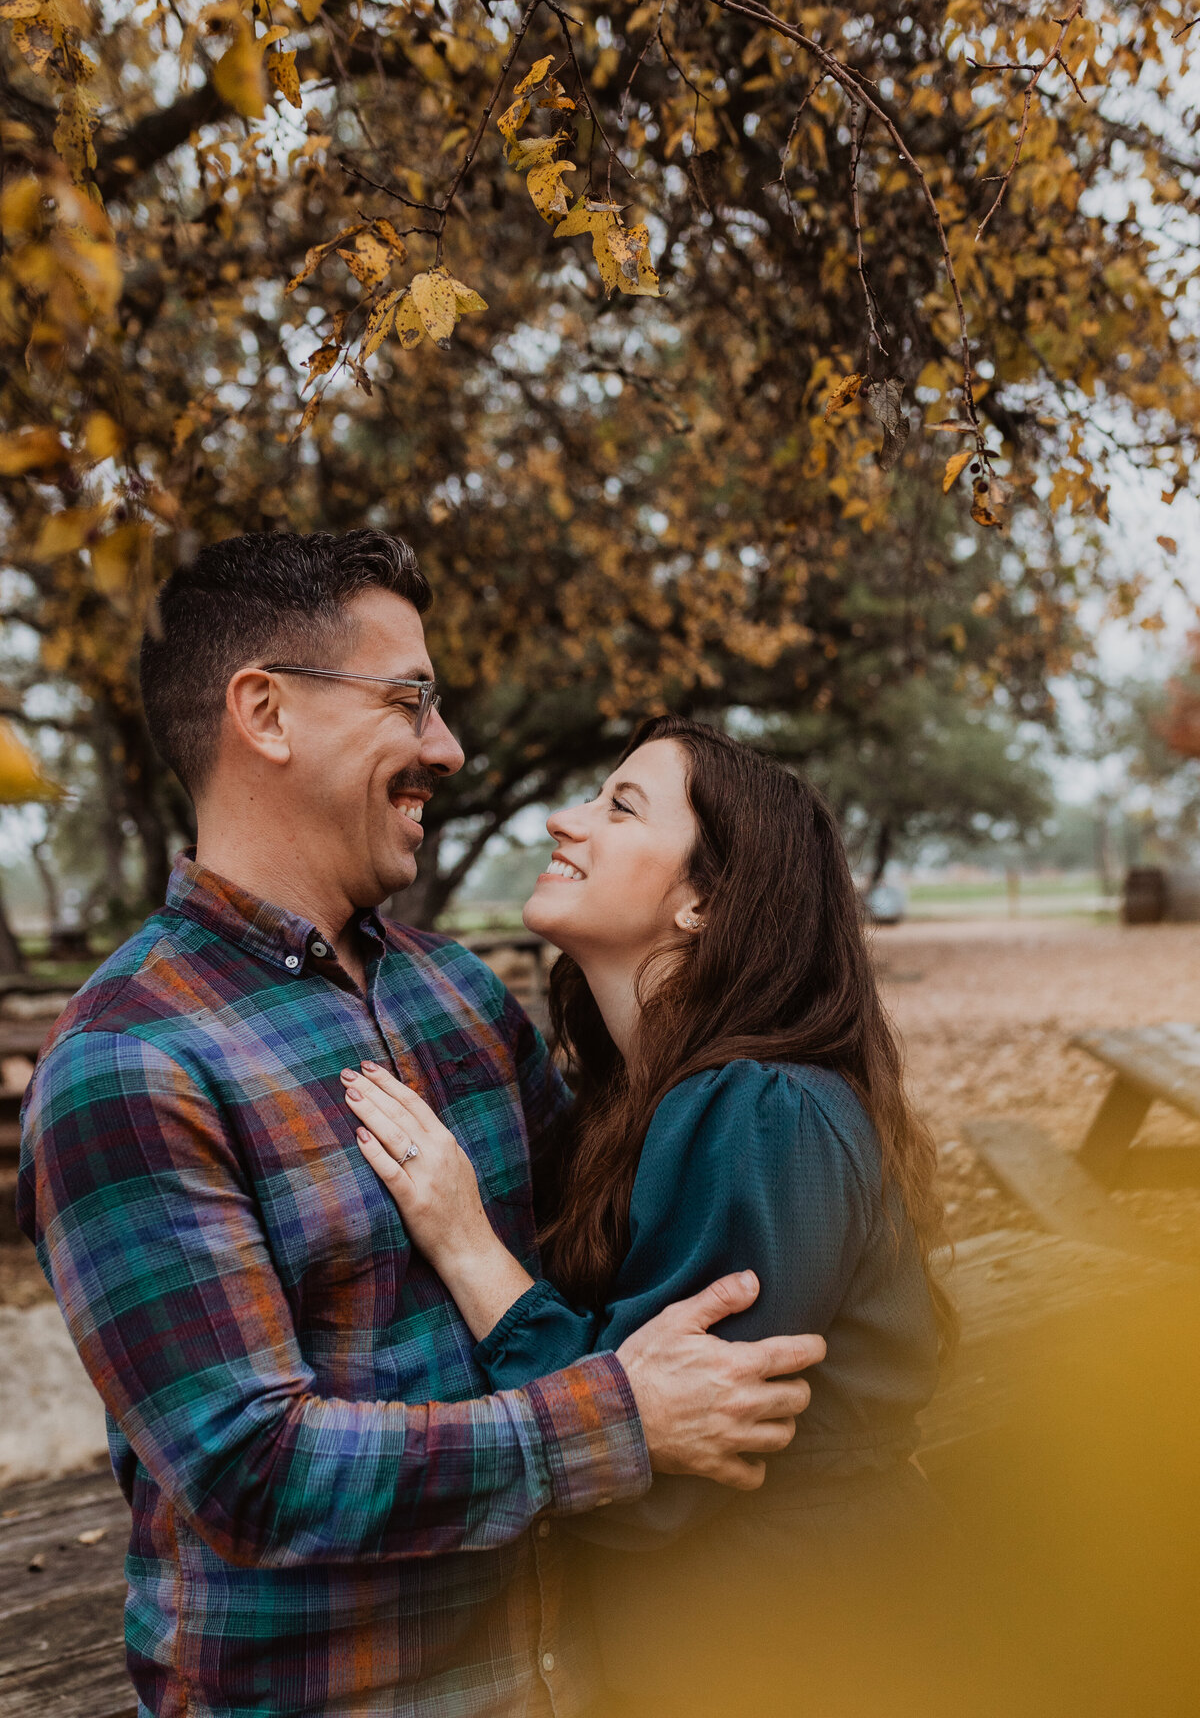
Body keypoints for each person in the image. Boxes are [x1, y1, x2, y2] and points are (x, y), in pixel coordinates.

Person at [16, 534, 825, 1718]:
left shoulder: (458, 998)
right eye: (410, 702)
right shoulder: (128, 1061)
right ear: (267, 714)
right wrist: (619, 1420)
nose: (447, 748)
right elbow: (252, 1472)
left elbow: (596, 1267)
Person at [344, 716, 954, 1718]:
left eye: (619, 805)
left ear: (705, 901)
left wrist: (464, 1244)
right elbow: (633, 1400)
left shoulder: (763, 1113)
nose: (561, 821)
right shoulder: (635, 1104)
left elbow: (657, 1480)